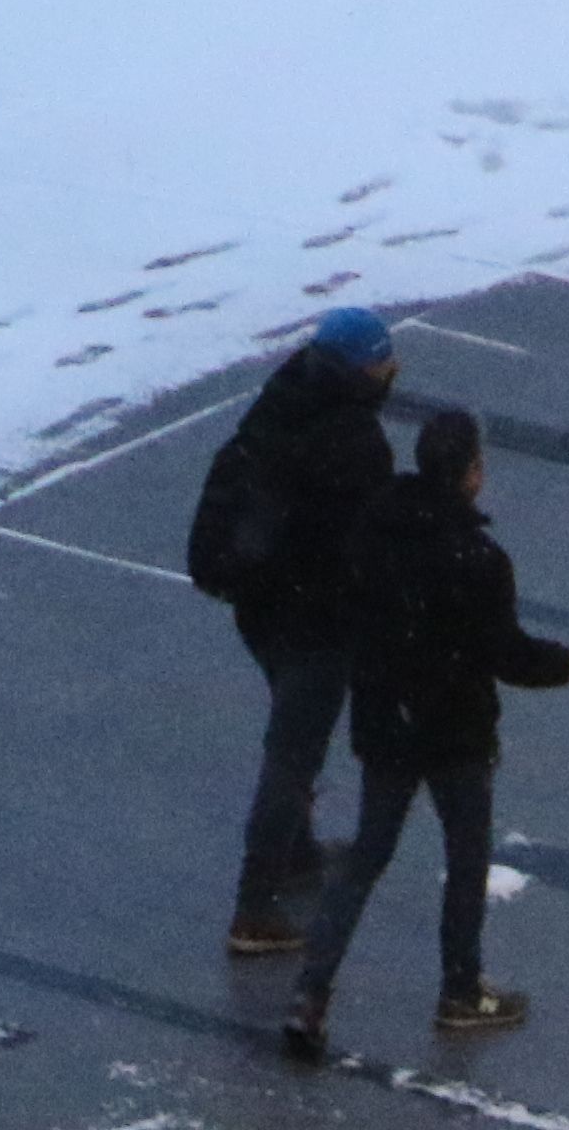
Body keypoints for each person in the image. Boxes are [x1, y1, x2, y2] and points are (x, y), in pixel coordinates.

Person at [287, 403, 569, 1061]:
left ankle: (310, 995)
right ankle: (460, 989)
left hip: (387, 723)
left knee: (366, 857)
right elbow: (504, 652)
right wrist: (562, 664)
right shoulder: (478, 558)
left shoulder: (373, 531)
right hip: (456, 732)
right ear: (471, 473)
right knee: (466, 857)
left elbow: (347, 610)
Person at [188, 306, 403, 956]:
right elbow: (367, 541)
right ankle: (255, 909)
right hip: (315, 619)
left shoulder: (283, 397)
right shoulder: (355, 441)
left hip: (259, 606)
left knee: (292, 733)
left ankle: (301, 854)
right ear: (367, 368)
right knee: (293, 755)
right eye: (386, 362)